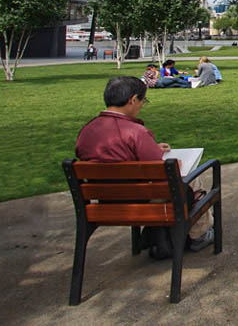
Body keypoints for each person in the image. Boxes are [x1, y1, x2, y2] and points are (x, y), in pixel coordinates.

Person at [74, 76, 214, 253]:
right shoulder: (135, 132)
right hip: (142, 201)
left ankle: (160, 237)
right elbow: (165, 171)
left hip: (104, 201)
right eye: (142, 100)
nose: (141, 105)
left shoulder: (87, 131)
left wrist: (151, 149)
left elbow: (102, 155)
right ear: (133, 100)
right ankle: (200, 234)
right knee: (191, 177)